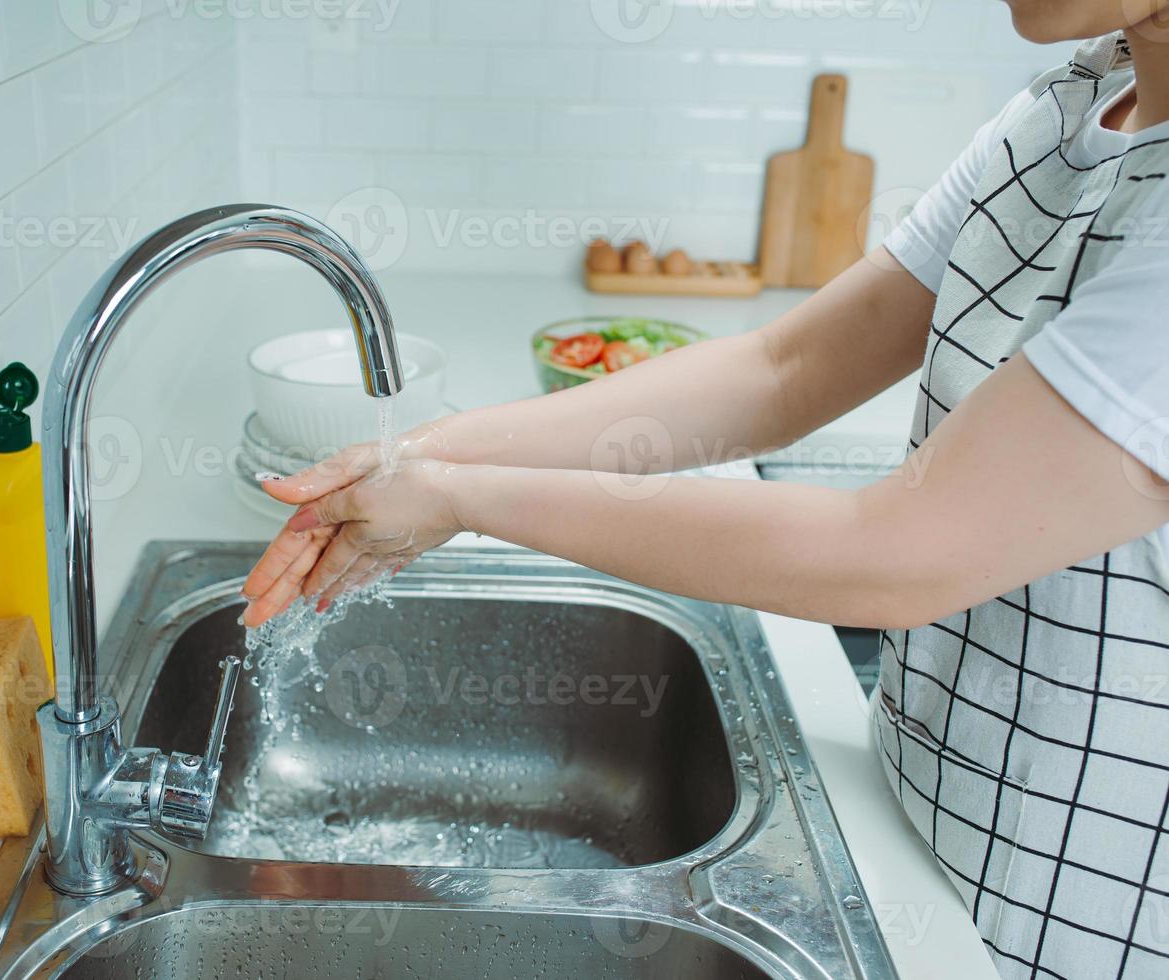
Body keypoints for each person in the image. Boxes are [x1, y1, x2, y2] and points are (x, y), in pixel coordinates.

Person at [241, 4, 1169, 976]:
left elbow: (894, 554)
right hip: (925, 830)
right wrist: (423, 455)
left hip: (1079, 916)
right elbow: (786, 366)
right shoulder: (1071, 106)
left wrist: (462, 497)